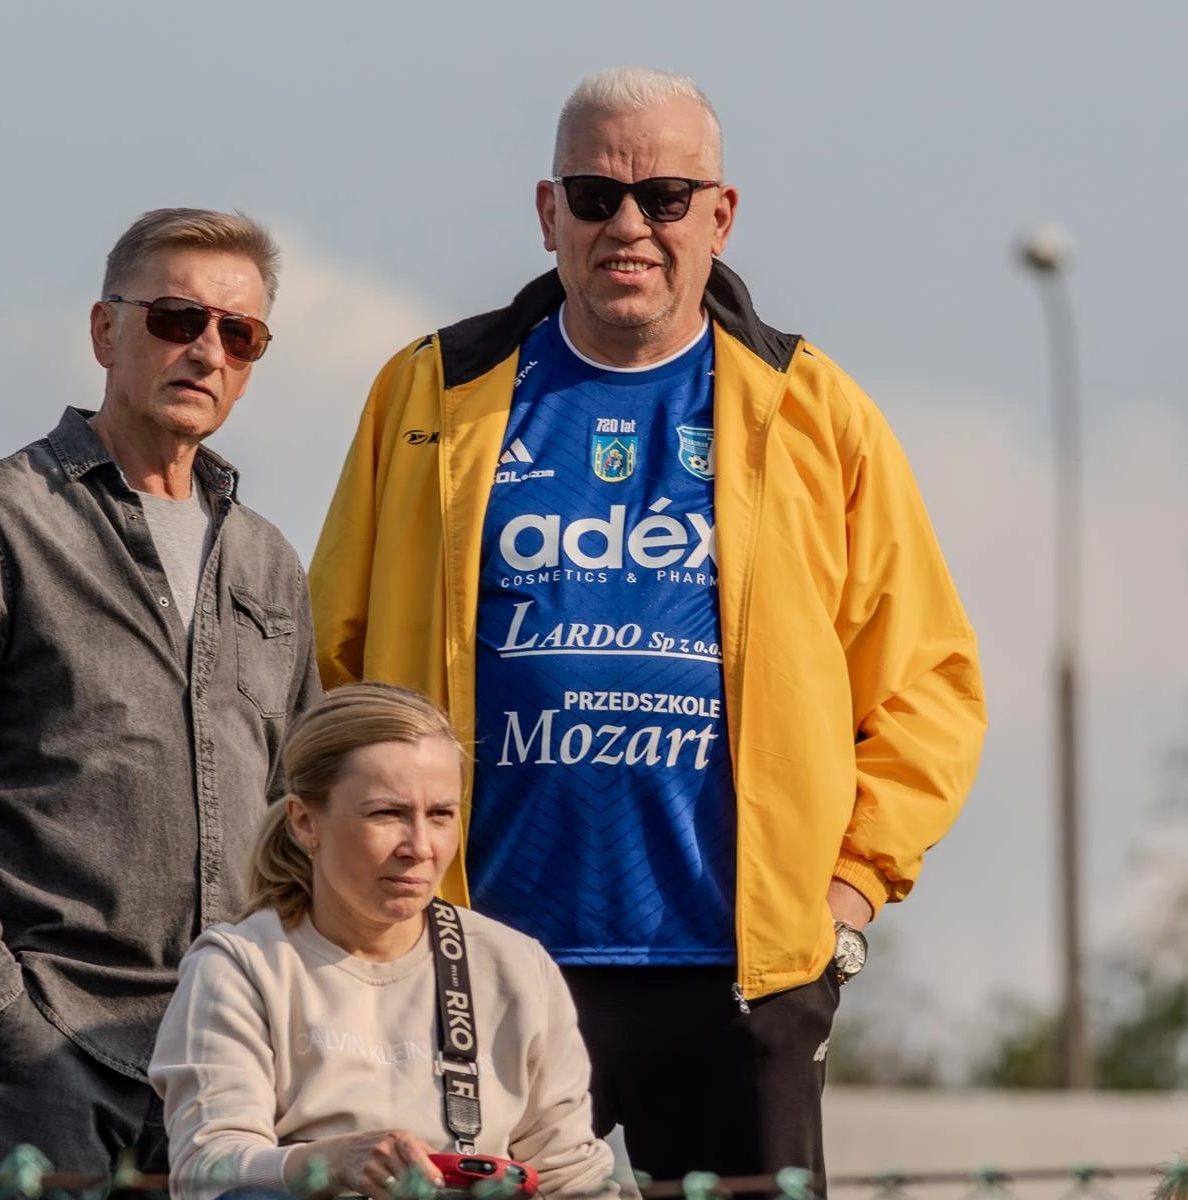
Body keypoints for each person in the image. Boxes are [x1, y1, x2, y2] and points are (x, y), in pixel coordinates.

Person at [307, 69, 987, 1183]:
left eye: (665, 197)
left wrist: (845, 898)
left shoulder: (815, 407)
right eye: (595, 195)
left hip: (740, 978)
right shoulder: (428, 393)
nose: (629, 225)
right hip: (473, 962)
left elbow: (928, 685)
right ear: (548, 213)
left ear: (719, 216)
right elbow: (333, 660)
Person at [0, 208, 322, 1183]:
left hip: (235, 1072)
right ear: (104, 330)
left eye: (238, 334)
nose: (206, 350)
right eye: (175, 318)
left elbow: (301, 811)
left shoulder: (269, 563)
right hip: (50, 1049)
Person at [149, 683, 617, 1200]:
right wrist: (327, 1163)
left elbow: (572, 1175)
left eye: (440, 815)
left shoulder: (514, 965)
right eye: (387, 814)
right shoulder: (241, 966)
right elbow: (206, 1171)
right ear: (305, 822)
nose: (420, 847)